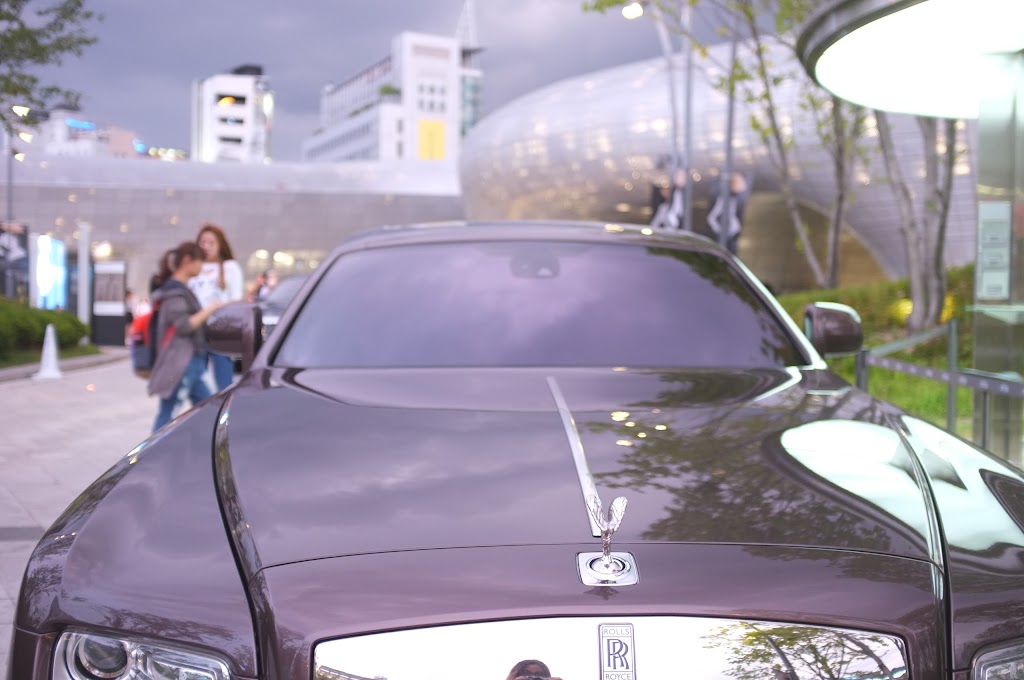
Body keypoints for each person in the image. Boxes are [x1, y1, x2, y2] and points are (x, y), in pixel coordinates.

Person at [148, 241, 224, 432]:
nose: (201, 267)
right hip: (182, 360)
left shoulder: (178, 290)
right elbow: (184, 326)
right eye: (200, 261)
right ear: (188, 260)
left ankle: (205, 447)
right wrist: (210, 309)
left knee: (209, 409)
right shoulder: (174, 292)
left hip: (191, 359)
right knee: (169, 413)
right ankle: (152, 456)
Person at [189, 223, 244, 391]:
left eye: (211, 243)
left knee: (223, 382)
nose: (206, 247)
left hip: (220, 330)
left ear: (220, 244)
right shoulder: (193, 267)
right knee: (197, 380)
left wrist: (214, 307)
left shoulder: (230, 267)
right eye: (202, 242)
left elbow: (237, 299)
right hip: (196, 331)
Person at [706, 172, 750, 255]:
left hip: (733, 235)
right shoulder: (724, 199)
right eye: (740, 183)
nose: (743, 186)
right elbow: (711, 217)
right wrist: (719, 230)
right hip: (724, 236)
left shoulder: (739, 199)